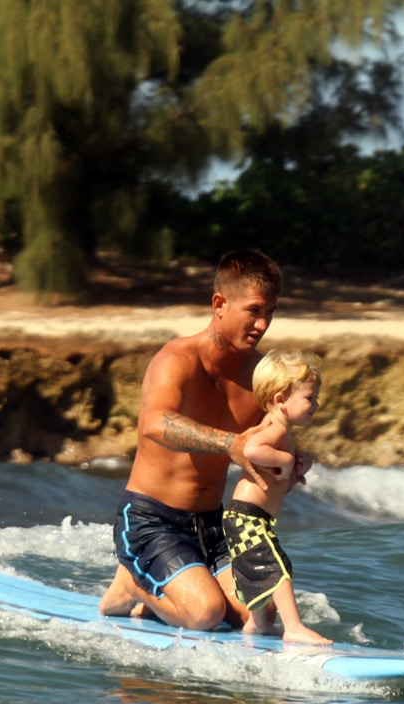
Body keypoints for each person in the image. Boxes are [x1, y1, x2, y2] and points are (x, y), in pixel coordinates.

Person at [98, 249, 286, 632]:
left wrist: (295, 458)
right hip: (153, 520)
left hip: (213, 525)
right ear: (220, 304)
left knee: (260, 613)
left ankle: (172, 594)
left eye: (270, 312)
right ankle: (132, 583)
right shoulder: (177, 359)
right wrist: (228, 443)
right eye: (254, 310)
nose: (262, 323)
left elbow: (273, 435)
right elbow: (155, 423)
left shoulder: (259, 375)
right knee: (205, 614)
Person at [222, 350, 330, 645]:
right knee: (276, 569)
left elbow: (278, 477)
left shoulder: (282, 429)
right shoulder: (275, 427)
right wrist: (284, 459)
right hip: (248, 517)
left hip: (250, 517)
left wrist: (297, 465)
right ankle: (293, 627)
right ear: (281, 400)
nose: (316, 405)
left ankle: (256, 625)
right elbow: (252, 450)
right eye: (309, 398)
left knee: (257, 572)